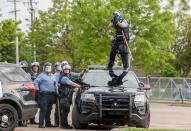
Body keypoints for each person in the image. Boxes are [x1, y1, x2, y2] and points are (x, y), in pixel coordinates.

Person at [34, 62, 57, 128]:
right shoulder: (41, 75)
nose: (47, 68)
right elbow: (35, 82)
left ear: (51, 68)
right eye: (46, 67)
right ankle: (41, 124)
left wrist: (57, 92)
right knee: (43, 109)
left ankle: (48, 123)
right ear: (44, 68)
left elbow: (55, 84)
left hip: (52, 95)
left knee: (49, 110)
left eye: (49, 67)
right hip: (44, 95)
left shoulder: (53, 76)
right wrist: (38, 90)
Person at [58, 63, 81, 129]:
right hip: (64, 97)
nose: (67, 70)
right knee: (65, 111)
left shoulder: (68, 76)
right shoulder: (64, 78)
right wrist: (80, 86)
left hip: (67, 97)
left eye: (68, 70)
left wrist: (84, 71)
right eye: (65, 70)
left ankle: (65, 124)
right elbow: (72, 83)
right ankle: (64, 125)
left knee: (66, 111)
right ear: (63, 70)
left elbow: (78, 75)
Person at [108, 11, 130, 77]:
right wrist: (113, 21)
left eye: (114, 15)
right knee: (113, 51)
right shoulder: (114, 21)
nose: (113, 16)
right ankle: (110, 66)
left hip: (124, 38)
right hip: (117, 38)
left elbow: (122, 25)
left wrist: (117, 20)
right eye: (113, 15)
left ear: (118, 15)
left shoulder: (123, 20)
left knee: (123, 50)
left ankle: (126, 67)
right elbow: (109, 26)